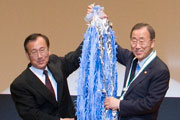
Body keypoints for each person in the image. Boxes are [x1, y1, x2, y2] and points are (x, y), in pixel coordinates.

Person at [104, 23, 170, 120]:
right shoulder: (131, 59)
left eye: (142, 41)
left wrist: (119, 104)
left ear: (152, 43)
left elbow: (149, 104)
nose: (137, 46)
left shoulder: (160, 70)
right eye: (134, 41)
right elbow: (113, 47)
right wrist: (103, 22)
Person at [10, 33, 82, 120]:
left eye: (42, 50)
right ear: (27, 55)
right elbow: (31, 114)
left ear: (48, 51)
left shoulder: (56, 64)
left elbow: (75, 58)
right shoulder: (20, 84)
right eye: (34, 52)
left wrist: (95, 28)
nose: (39, 56)